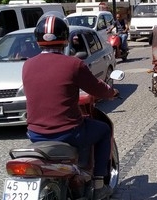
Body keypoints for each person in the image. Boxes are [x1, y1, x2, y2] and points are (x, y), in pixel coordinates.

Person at [22, 14, 119, 200]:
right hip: (68, 132)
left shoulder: (28, 65)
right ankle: (99, 185)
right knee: (104, 130)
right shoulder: (73, 64)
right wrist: (111, 92)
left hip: (35, 134)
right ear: (65, 38)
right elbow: (97, 88)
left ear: (37, 39)